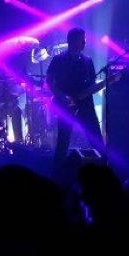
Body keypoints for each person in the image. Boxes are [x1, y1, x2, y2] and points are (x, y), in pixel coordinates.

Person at [46, 28, 105, 170]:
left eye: (84, 39)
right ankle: (57, 172)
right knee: (63, 141)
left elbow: (91, 85)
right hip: (65, 105)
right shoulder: (58, 60)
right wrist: (62, 96)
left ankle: (104, 169)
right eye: (81, 39)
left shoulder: (87, 61)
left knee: (96, 139)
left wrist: (108, 81)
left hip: (86, 106)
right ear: (71, 41)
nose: (84, 42)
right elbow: (48, 82)